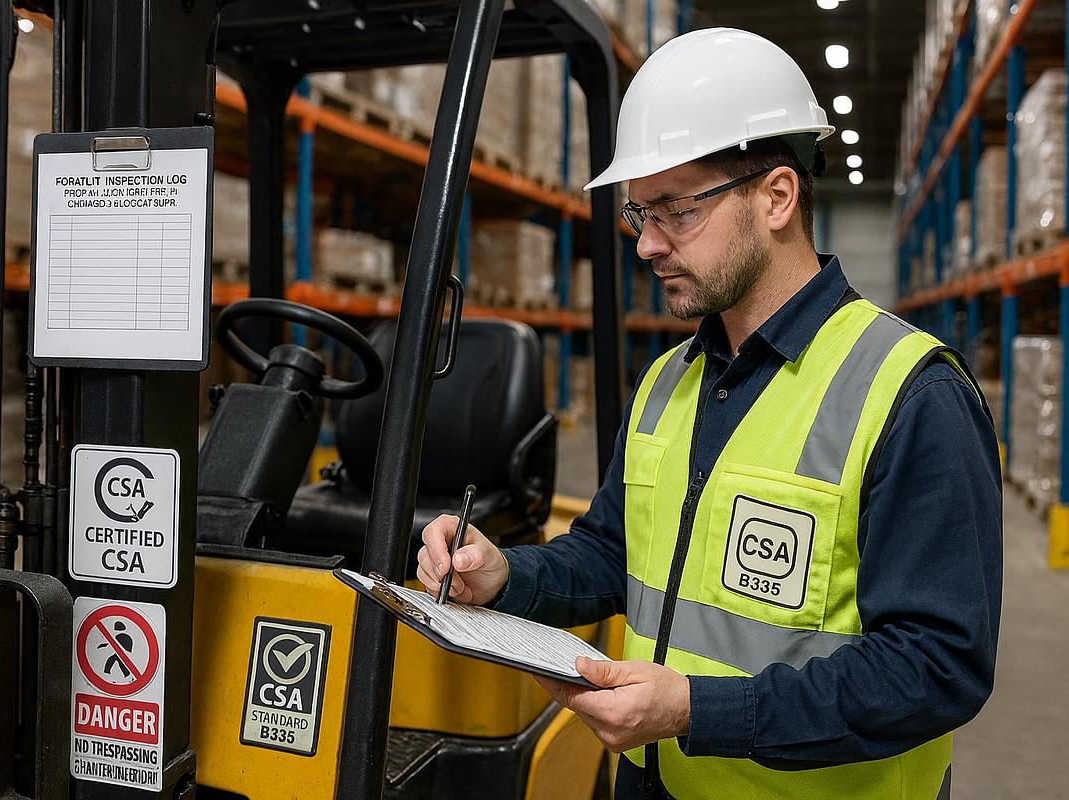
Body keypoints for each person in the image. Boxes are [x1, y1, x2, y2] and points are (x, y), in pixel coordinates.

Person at [416, 27, 1002, 800]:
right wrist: (506, 578)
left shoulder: (908, 394)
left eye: (676, 211)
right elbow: (610, 552)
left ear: (777, 197)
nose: (647, 245)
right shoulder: (667, 381)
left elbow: (936, 666)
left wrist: (699, 710)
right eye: (638, 214)